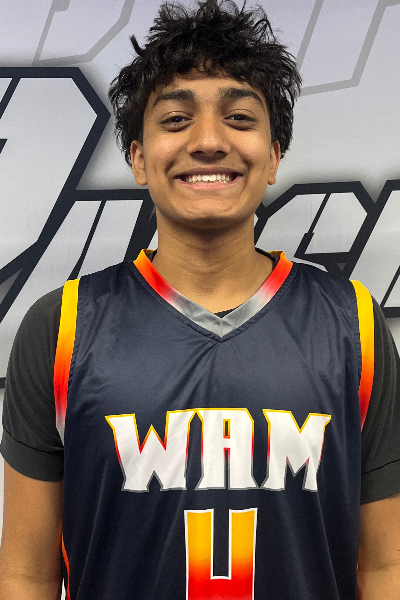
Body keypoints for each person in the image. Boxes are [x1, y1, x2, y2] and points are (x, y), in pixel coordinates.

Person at [0, 0, 399, 598]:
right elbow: (26, 572)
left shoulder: (353, 322)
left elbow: (387, 565)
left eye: (239, 117)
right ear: (138, 157)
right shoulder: (62, 326)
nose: (209, 141)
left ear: (274, 156)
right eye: (176, 119)